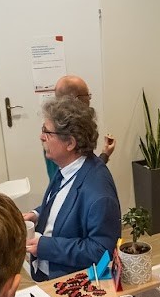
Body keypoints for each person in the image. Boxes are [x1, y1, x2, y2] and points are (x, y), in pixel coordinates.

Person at [24, 95, 121, 280]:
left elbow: (101, 251)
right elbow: (64, 202)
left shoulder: (99, 194)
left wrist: (46, 246)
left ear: (70, 143)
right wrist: (37, 214)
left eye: (47, 132)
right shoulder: (68, 167)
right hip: (48, 272)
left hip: (71, 282)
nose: (41, 137)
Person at [53, 73, 116, 165]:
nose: (89, 99)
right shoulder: (73, 132)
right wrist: (105, 155)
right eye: (87, 95)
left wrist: (105, 154)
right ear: (75, 99)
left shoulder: (51, 129)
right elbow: (86, 171)